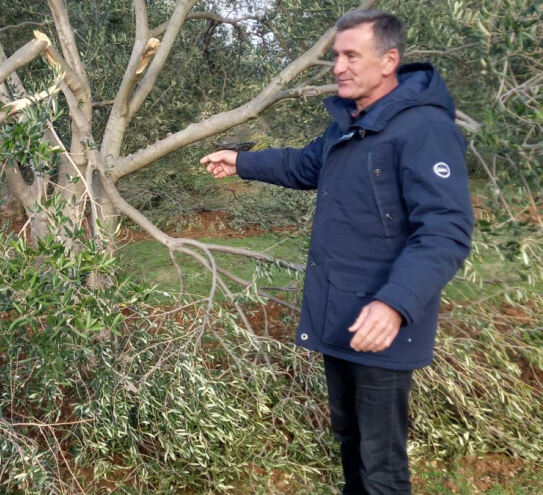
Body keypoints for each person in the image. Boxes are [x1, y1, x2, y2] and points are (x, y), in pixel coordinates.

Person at [201, 9, 474, 495]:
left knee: (381, 466)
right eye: (335, 56)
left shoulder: (423, 130)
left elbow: (446, 230)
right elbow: (305, 165)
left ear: (389, 60)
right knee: (350, 441)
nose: (339, 67)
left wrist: (395, 304)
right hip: (342, 312)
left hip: (382, 324)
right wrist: (241, 161)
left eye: (352, 55)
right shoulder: (353, 122)